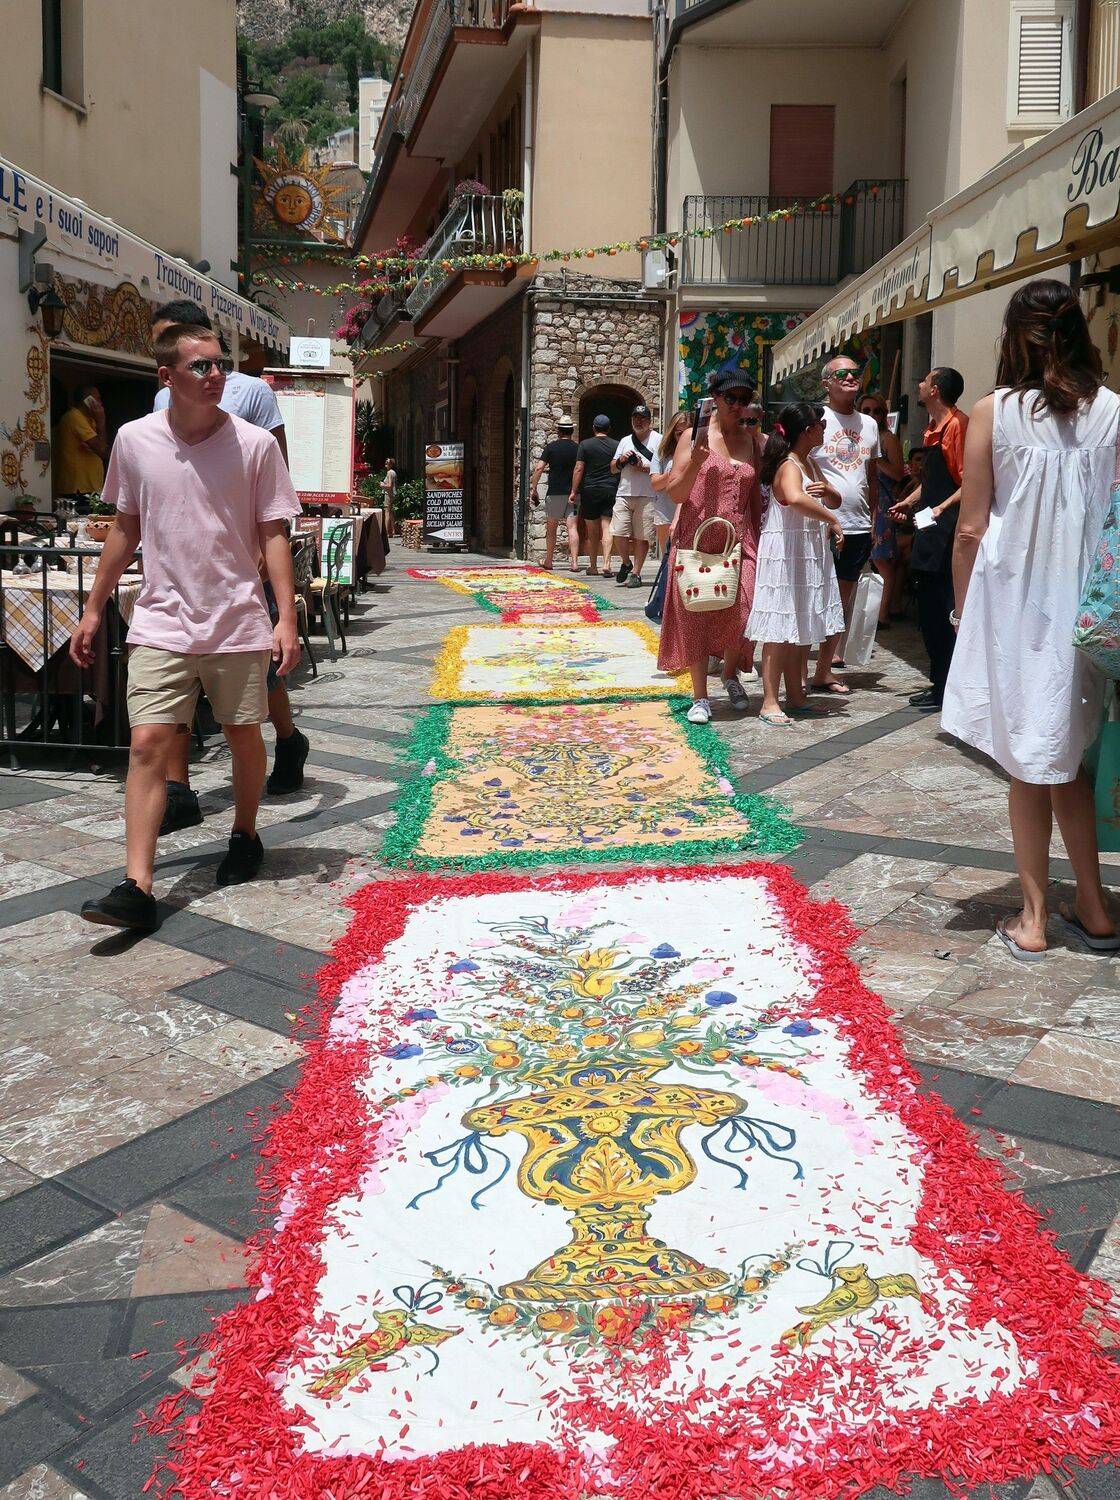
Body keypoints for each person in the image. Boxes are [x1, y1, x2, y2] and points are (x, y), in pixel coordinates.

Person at [70, 324, 302, 933]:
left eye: (220, 364)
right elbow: (125, 527)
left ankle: (245, 833)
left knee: (242, 735)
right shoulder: (134, 439)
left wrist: (285, 618)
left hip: (235, 620)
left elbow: (274, 533)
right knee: (147, 744)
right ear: (166, 376)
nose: (216, 375)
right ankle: (137, 886)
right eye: (201, 366)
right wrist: (93, 608)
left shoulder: (255, 445)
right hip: (160, 620)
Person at [943, 278, 1120, 958]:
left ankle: (1035, 918)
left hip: (1015, 607)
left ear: (1016, 336)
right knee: (1067, 757)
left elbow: (970, 528)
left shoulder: (993, 412)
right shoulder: (1113, 411)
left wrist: (963, 612)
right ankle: (1094, 907)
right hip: (1089, 611)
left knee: (1028, 762)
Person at [150, 300, 309, 829]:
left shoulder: (250, 392)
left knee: (262, 669)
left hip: (241, 562)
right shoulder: (160, 397)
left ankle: (287, 738)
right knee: (174, 682)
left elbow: (275, 469)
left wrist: (267, 550)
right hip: (178, 573)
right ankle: (178, 790)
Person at [657, 359, 764, 722]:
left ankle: (730, 674)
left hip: (740, 538)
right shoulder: (693, 437)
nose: (737, 405)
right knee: (696, 614)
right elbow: (676, 493)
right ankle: (700, 696)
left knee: (745, 607)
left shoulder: (750, 441)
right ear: (715, 397)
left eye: (744, 398)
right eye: (730, 397)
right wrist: (696, 461)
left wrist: (760, 538)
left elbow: (753, 498)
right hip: (697, 538)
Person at [747, 403, 845, 725]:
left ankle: (796, 695)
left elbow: (831, 499)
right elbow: (795, 497)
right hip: (787, 553)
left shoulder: (809, 463)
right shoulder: (789, 465)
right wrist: (831, 519)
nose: (824, 429)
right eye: (820, 424)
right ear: (807, 430)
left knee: (800, 624)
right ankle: (769, 702)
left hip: (804, 552)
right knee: (778, 628)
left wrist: (829, 493)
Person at [890, 368, 968, 710]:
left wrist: (941, 508)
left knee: (943, 609)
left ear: (934, 390)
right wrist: (909, 502)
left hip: (947, 533)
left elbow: (969, 481)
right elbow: (931, 482)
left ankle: (949, 688)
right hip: (929, 531)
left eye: (924, 380)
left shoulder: (957, 426)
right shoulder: (932, 428)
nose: (918, 384)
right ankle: (938, 683)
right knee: (929, 613)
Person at [809, 355, 880, 695]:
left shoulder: (870, 424)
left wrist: (874, 519)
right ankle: (795, 668)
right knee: (812, 596)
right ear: (827, 383)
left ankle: (823, 670)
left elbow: (872, 476)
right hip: (820, 525)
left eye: (855, 373)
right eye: (842, 374)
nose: (851, 377)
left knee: (841, 599)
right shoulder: (815, 420)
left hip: (858, 525)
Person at [859, 392, 906, 628]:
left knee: (882, 560)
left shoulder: (888, 439)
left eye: (876, 411)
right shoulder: (857, 436)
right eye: (866, 410)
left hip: (882, 503)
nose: (871, 415)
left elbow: (898, 473)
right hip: (863, 502)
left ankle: (883, 614)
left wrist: (875, 458)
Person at [610, 404, 662, 588]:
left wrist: (643, 467)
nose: (639, 421)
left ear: (650, 421)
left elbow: (663, 468)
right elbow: (613, 469)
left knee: (642, 537)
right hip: (624, 493)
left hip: (647, 495)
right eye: (635, 418)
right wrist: (622, 460)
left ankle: (636, 573)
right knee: (618, 532)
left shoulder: (658, 440)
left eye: (643, 418)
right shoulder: (625, 441)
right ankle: (626, 562)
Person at [570, 415, 621, 576]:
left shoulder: (585, 445)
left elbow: (579, 468)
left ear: (593, 428)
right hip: (610, 488)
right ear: (609, 428)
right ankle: (607, 563)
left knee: (592, 531)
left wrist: (574, 490)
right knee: (607, 527)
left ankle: (593, 565)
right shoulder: (617, 445)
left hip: (590, 489)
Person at [530, 419, 579, 571]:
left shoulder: (551, 448)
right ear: (572, 431)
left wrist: (534, 488)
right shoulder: (578, 448)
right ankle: (574, 563)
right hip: (573, 493)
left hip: (555, 493)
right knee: (572, 527)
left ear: (558, 431)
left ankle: (549, 561)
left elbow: (539, 468)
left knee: (551, 528)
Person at [53, 385, 107, 496]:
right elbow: (101, 448)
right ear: (88, 400)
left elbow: (103, 450)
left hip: (90, 487)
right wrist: (101, 421)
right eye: (98, 398)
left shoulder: (91, 420)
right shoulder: (74, 416)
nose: (101, 403)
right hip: (78, 488)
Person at [651, 410, 690, 555]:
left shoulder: (698, 452)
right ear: (672, 433)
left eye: (687, 433)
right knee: (667, 556)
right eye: (679, 433)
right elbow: (655, 484)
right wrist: (675, 472)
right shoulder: (662, 452)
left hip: (690, 510)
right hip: (665, 511)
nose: (684, 437)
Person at [380, 457, 397, 534]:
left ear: (391, 464)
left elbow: (389, 485)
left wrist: (382, 485)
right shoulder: (393, 472)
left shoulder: (389, 473)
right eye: (385, 462)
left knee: (387, 512)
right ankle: (393, 530)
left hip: (388, 494)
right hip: (392, 494)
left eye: (387, 463)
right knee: (390, 512)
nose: (385, 464)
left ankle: (386, 532)